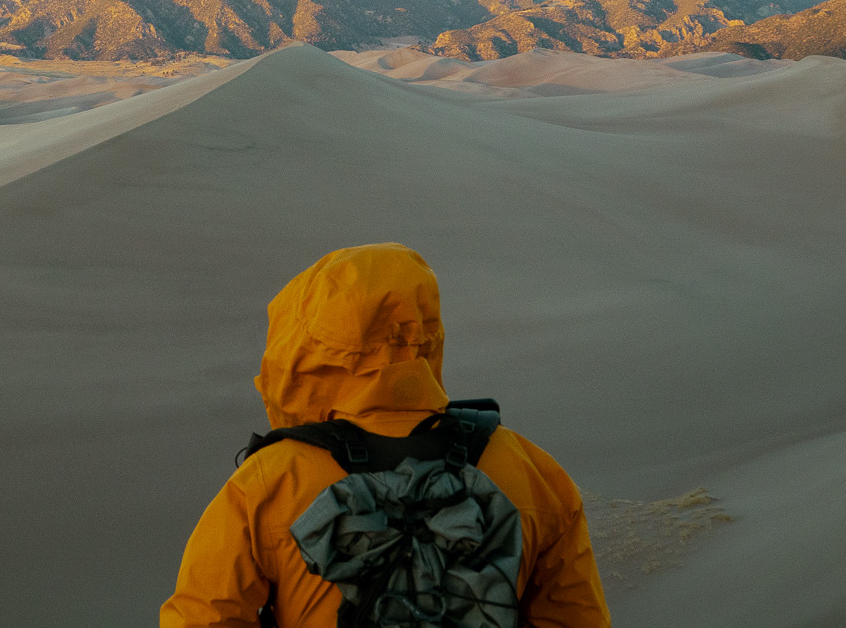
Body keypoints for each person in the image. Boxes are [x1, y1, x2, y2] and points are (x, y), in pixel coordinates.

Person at [161, 243, 610, 628]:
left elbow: (203, 617)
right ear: (428, 337)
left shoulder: (268, 483)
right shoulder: (531, 471)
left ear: (302, 354)